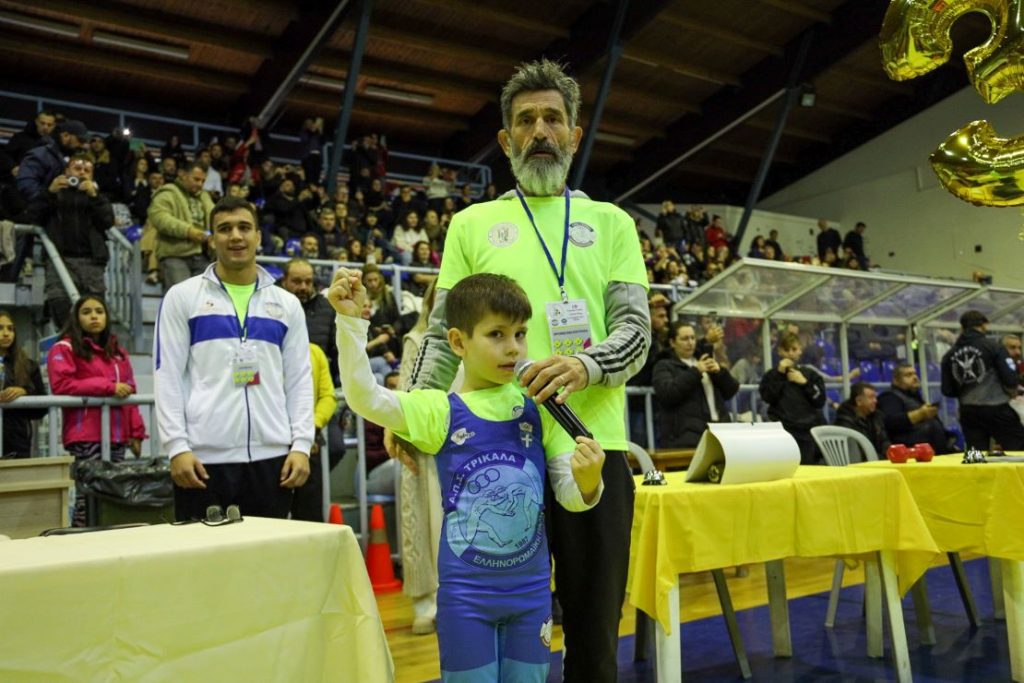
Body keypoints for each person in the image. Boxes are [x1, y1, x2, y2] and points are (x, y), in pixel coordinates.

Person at [400, 59, 650, 682]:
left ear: (575, 134)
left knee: (594, 634)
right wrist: (412, 409)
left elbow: (636, 333)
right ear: (506, 139)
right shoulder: (471, 224)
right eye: (526, 120)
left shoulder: (613, 223)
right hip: (496, 452)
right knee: (509, 631)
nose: (540, 131)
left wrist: (584, 366)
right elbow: (442, 333)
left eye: (553, 119)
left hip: (591, 448)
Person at [329, 269, 605, 681]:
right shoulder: (439, 409)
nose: (513, 348)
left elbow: (569, 494)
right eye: (496, 334)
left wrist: (589, 479)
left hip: (532, 595)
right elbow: (364, 397)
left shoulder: (541, 405)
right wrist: (350, 323)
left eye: (520, 334)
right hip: (466, 598)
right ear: (458, 342)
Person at [154, 196, 313, 521]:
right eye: (225, 229)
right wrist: (177, 447)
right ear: (212, 239)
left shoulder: (287, 304)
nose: (236, 236)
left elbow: (299, 380)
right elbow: (167, 376)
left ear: (258, 236)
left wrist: (301, 445)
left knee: (267, 553)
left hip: (274, 459)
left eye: (244, 227)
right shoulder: (182, 298)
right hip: (202, 461)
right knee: (203, 554)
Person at [47, 295, 146, 526]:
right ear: (76, 318)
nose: (94, 316)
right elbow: (62, 384)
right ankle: (81, 540)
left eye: (99, 311)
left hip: (117, 436)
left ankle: (109, 539)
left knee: (114, 492)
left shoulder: (118, 353)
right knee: (87, 496)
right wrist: (108, 387)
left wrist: (137, 432)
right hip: (85, 435)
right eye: (87, 312)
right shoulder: (64, 348)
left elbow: (130, 392)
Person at [396, 280, 443, 635]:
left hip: (470, 442)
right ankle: (427, 603)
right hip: (427, 448)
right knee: (425, 526)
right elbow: (404, 394)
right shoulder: (416, 340)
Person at [22, 155, 113, 329]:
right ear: (66, 171)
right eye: (77, 169)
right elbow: (32, 216)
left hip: (92, 262)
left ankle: (90, 343)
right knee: (60, 303)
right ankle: (70, 339)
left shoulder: (98, 197)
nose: (82, 173)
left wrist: (94, 197)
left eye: (87, 170)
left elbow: (107, 222)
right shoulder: (54, 193)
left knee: (94, 308)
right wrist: (49, 193)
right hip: (60, 260)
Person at [941, 310, 1024, 451]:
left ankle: (976, 466)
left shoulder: (949, 355)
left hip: (968, 413)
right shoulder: (993, 347)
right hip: (997, 409)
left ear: (962, 327)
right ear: (984, 325)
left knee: (976, 454)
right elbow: (1010, 379)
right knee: (1019, 449)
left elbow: (947, 390)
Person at [654, 320, 739, 447]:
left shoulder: (704, 360)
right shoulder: (664, 365)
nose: (690, 343)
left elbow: (731, 391)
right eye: (684, 339)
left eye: (693, 338)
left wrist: (720, 372)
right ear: (672, 342)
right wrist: (696, 371)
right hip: (685, 438)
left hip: (719, 431)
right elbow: (668, 393)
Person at [759, 331, 827, 464]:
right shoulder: (771, 376)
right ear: (780, 351)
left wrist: (805, 383)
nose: (790, 353)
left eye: (794, 349)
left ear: (800, 350)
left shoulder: (810, 375)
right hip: (782, 433)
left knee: (808, 470)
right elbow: (767, 397)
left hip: (807, 433)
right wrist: (779, 374)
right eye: (786, 350)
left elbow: (819, 401)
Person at [148, 160, 214, 289]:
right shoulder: (166, 193)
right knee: (179, 297)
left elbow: (216, 216)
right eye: (196, 179)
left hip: (203, 255)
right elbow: (159, 218)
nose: (200, 184)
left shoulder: (204, 196)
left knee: (204, 299)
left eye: (203, 181)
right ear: (182, 174)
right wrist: (188, 231)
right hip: (174, 255)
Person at [290, 342, 337, 522]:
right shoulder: (264, 349)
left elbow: (328, 397)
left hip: (309, 443)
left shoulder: (315, 352)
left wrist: (311, 429)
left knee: (310, 516)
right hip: (273, 444)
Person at [279, 258, 339, 383]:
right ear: (284, 281)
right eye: (296, 281)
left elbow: (337, 351)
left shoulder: (328, 308)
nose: (303, 287)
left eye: (308, 282)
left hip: (318, 380)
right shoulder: (270, 307)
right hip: (280, 380)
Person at [878, 363, 953, 454]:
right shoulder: (889, 397)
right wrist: (920, 414)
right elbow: (892, 423)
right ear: (896, 380)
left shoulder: (915, 396)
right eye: (908, 375)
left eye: (915, 374)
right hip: (908, 449)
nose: (915, 377)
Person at [0, 310, 46, 458]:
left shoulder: (28, 365)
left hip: (17, 441)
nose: (6, 334)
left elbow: (42, 408)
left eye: (10, 329)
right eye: (0, 328)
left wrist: (24, 392)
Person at [835, 382, 891, 456]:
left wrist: (889, 453)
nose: (875, 401)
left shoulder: (876, 417)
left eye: (875, 397)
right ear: (859, 401)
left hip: (877, 458)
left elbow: (884, 441)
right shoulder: (845, 421)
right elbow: (855, 451)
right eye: (871, 397)